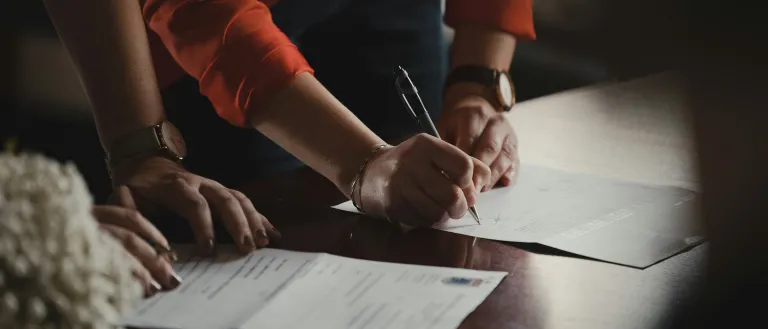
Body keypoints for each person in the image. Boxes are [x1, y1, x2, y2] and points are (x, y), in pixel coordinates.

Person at [43, 0, 534, 254]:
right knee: (260, 243)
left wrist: (477, 81)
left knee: (421, 224)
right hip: (218, 34)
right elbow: (200, 10)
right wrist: (362, 163)